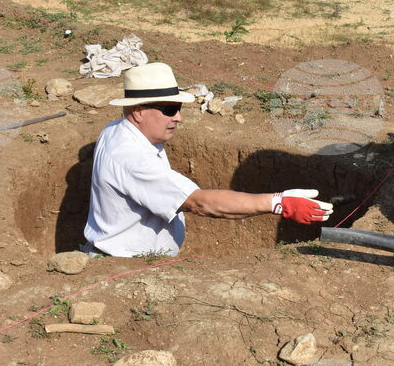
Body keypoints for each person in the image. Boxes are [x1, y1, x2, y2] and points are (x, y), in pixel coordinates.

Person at [82, 62, 333, 257]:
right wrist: (279, 203)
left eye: (179, 108)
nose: (178, 117)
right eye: (169, 109)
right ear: (138, 112)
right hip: (126, 265)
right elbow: (199, 203)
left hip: (127, 256)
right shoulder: (132, 156)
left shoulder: (117, 129)